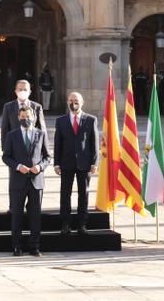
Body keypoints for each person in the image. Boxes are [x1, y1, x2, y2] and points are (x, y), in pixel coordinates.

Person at [3, 105, 51, 257]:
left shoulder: (41, 134)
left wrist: (40, 167)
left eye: (28, 117)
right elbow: (6, 156)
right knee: (17, 215)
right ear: (19, 118)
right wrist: (17, 166)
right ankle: (17, 246)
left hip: (36, 181)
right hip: (18, 181)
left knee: (35, 215)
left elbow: (47, 156)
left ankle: (34, 246)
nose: (26, 120)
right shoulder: (12, 135)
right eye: (23, 117)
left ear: (34, 117)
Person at [53, 92, 99, 235]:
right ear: (67, 102)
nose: (74, 102)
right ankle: (66, 224)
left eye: (77, 100)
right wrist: (56, 163)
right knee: (65, 194)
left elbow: (94, 142)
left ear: (82, 102)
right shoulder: (60, 121)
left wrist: (94, 162)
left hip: (84, 164)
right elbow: (57, 143)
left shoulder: (91, 120)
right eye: (71, 100)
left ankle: (82, 224)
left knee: (83, 194)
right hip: (66, 163)